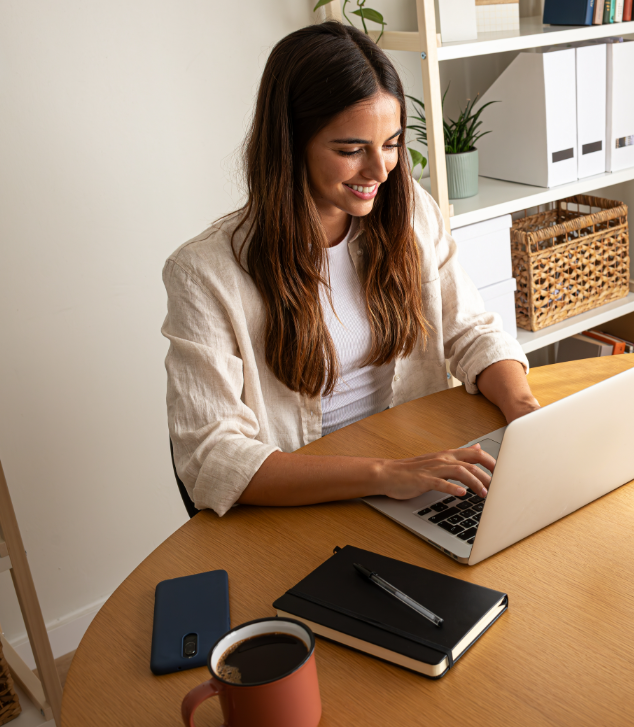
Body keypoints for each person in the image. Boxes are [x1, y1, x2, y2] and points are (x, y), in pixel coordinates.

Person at [162, 22, 538, 517]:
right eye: (351, 150)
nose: (381, 171)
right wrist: (385, 475)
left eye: (392, 143)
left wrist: (525, 413)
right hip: (310, 498)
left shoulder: (409, 213)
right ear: (290, 142)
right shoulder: (206, 274)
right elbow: (212, 455)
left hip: (414, 467)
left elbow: (469, 331)